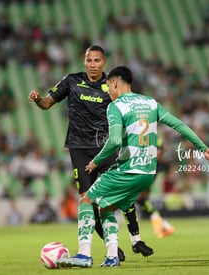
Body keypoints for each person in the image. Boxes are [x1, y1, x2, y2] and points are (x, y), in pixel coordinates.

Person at [56, 65, 209, 268]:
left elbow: (115, 141)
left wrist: (96, 161)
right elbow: (178, 125)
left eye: (108, 86)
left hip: (127, 170)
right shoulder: (150, 102)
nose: (108, 91)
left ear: (114, 82)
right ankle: (111, 257)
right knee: (106, 207)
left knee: (86, 200)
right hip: (147, 173)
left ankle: (83, 255)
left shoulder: (116, 106)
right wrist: (202, 148)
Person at [28, 45, 153, 261]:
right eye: (89, 60)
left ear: (104, 63)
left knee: (111, 199)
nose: (92, 64)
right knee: (88, 200)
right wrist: (39, 99)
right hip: (79, 149)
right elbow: (47, 103)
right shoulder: (71, 81)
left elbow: (127, 111)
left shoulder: (111, 87)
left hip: (105, 149)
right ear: (84, 62)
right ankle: (110, 245)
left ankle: (131, 241)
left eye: (96, 60)